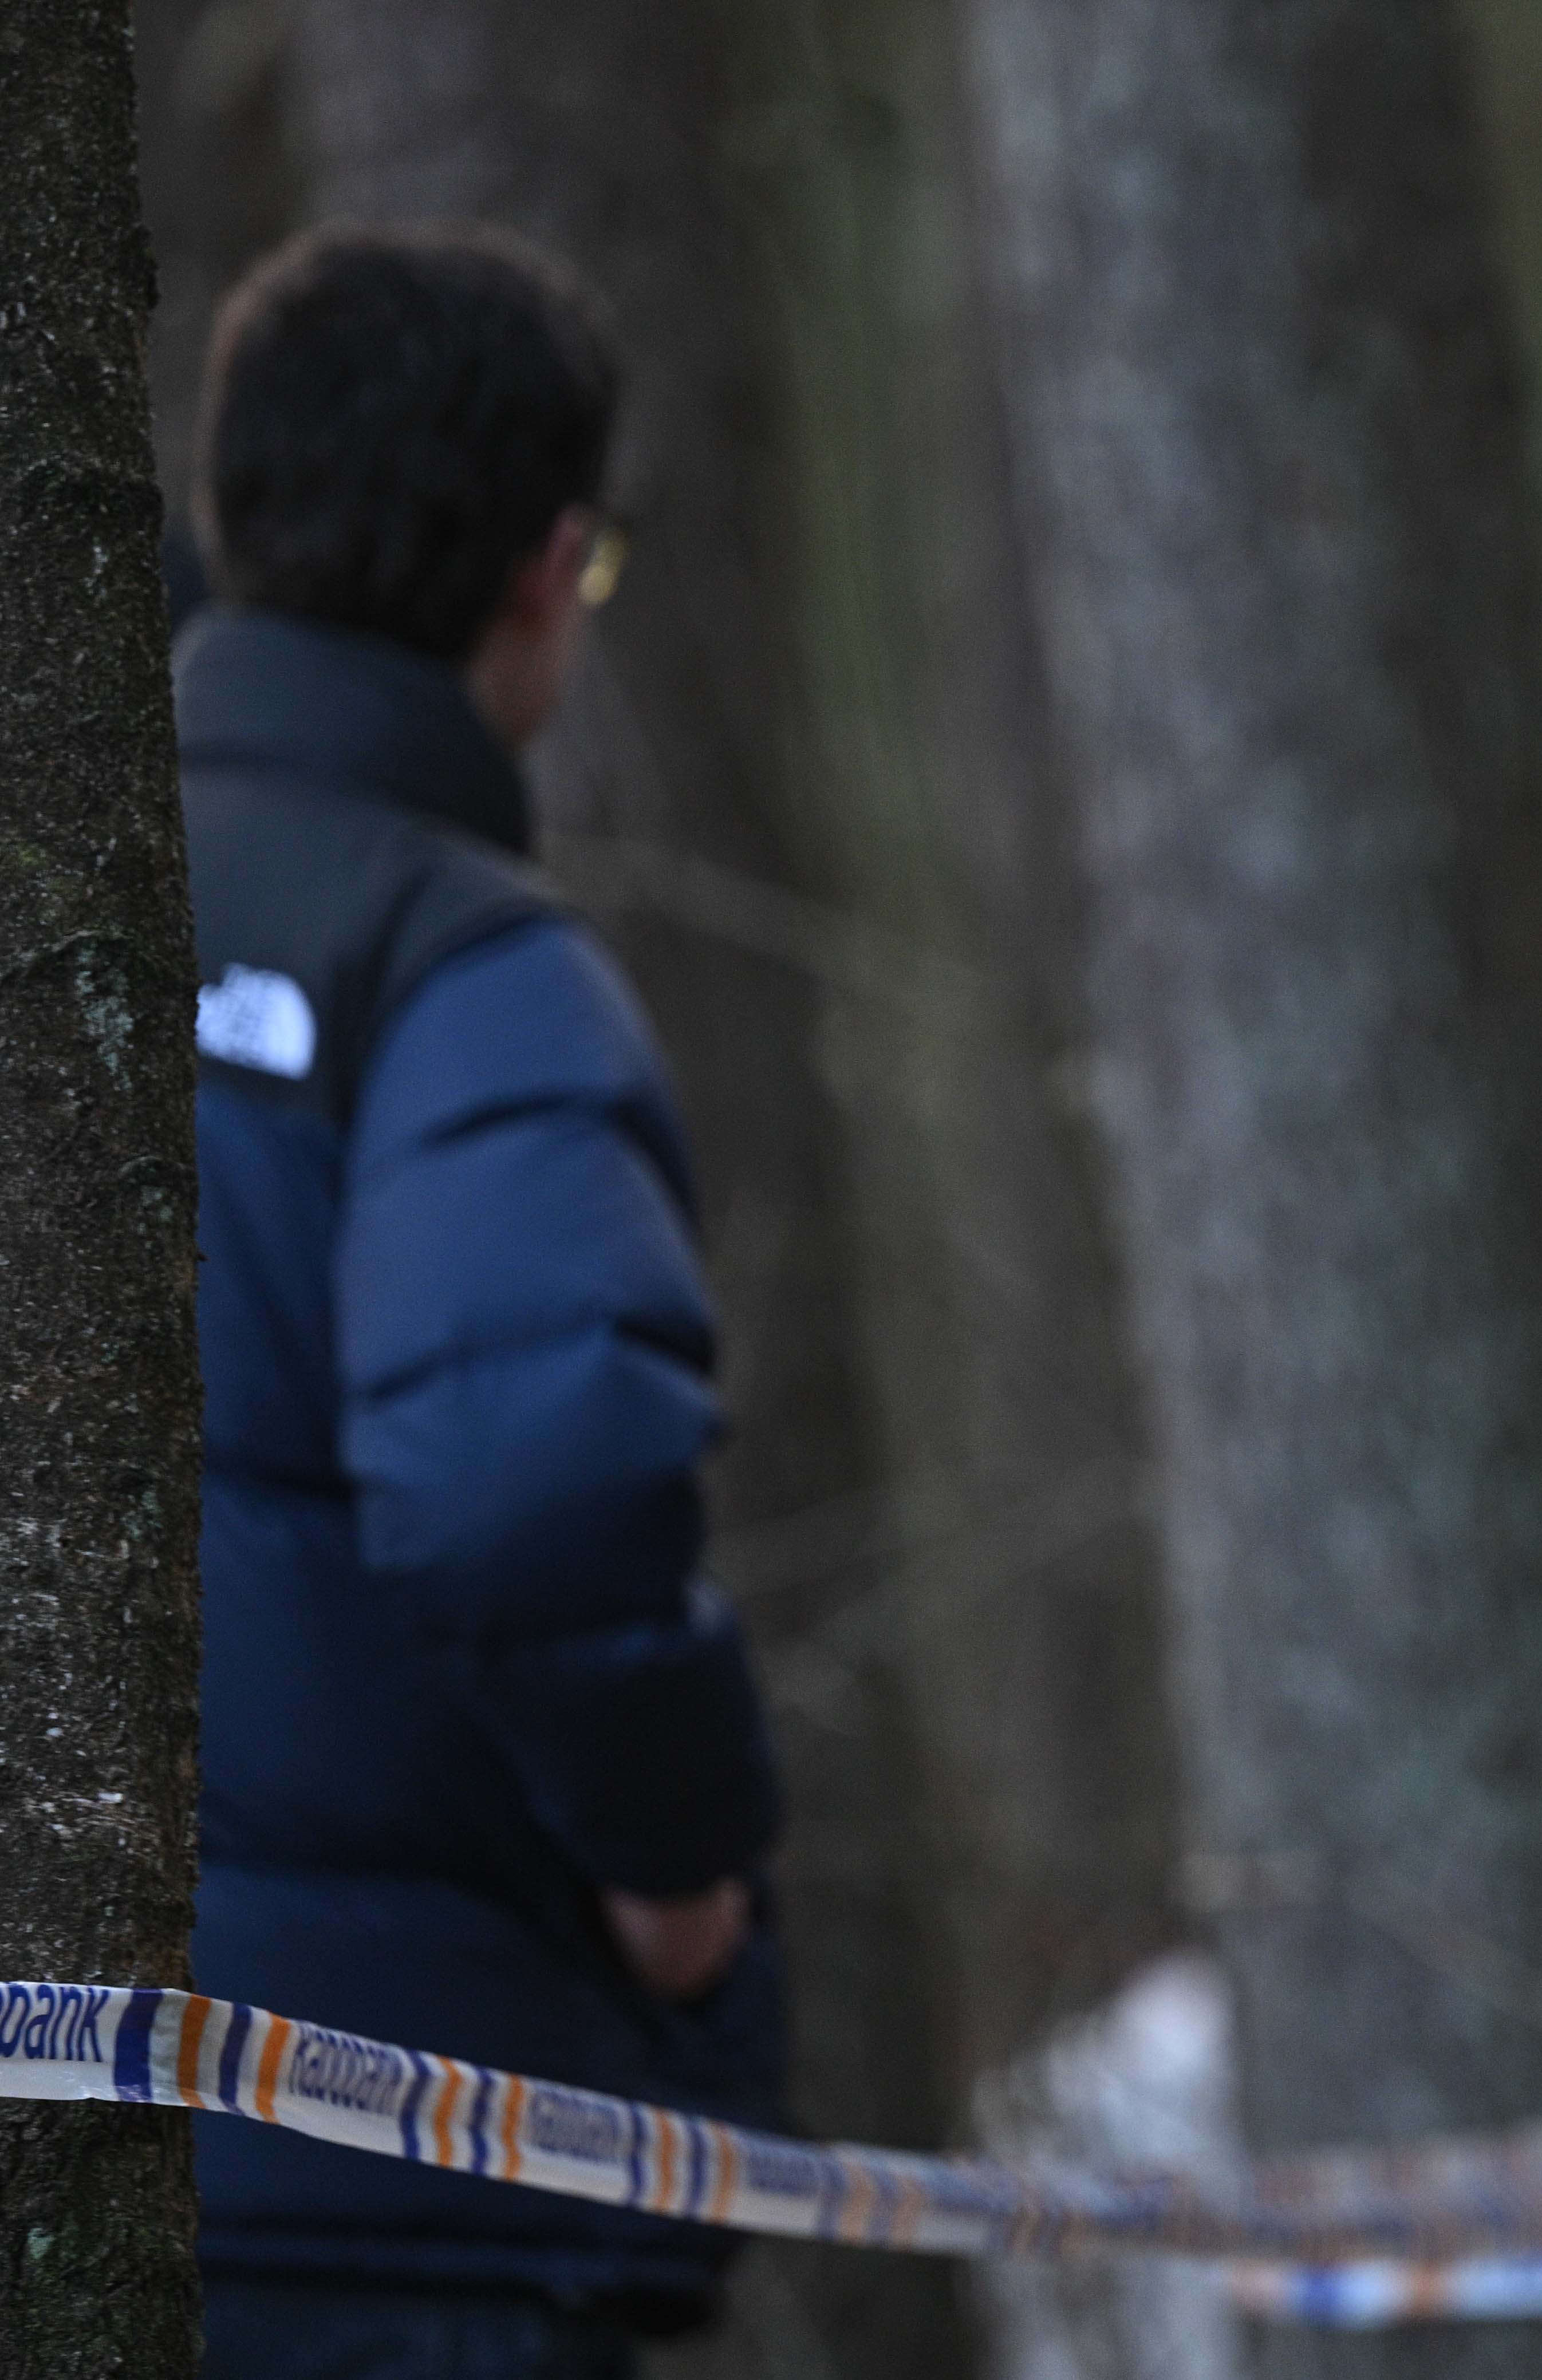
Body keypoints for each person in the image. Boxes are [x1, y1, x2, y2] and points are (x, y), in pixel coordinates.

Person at [179, 224, 783, 2380]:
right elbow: (529, 1483)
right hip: (387, 2200)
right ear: (543, 573)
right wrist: (680, 1882)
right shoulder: (459, 962)